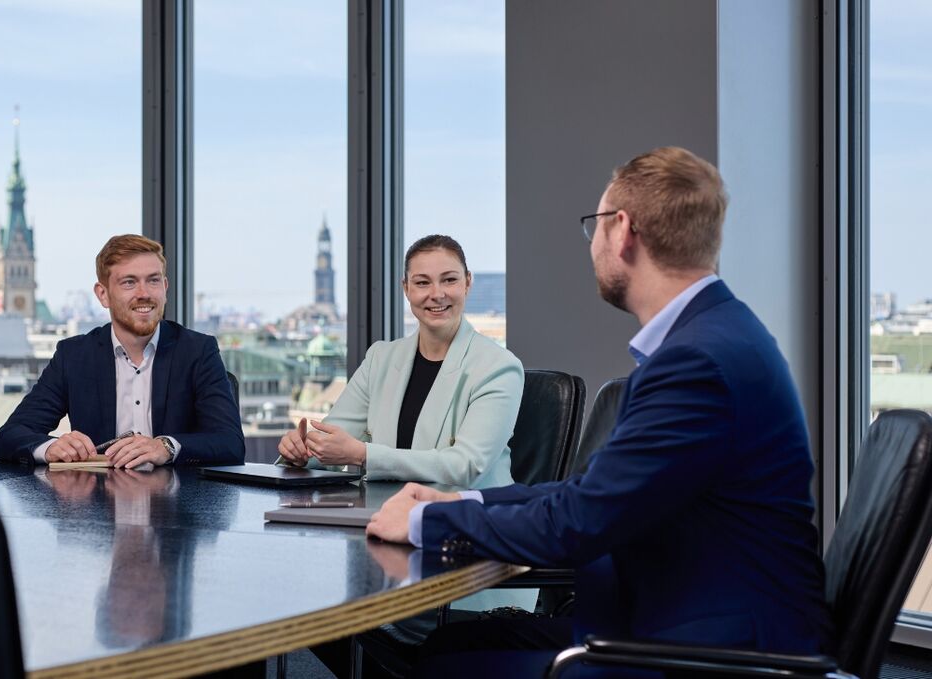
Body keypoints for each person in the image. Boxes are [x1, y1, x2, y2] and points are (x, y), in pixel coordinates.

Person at [366, 147, 833, 677]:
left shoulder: (697, 362)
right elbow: (586, 493)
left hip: (710, 651)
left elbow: (579, 522)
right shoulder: (713, 336)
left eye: (596, 227)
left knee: (448, 667)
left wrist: (429, 519)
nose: (593, 247)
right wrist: (461, 497)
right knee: (449, 648)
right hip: (672, 618)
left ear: (624, 231)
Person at [276, 234, 523, 489]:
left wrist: (364, 454)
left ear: (467, 283)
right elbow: (331, 441)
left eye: (449, 280)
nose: (437, 294)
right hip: (385, 515)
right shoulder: (380, 359)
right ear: (406, 288)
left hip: (467, 519)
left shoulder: (498, 367)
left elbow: (468, 466)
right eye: (422, 283)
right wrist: (300, 453)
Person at [0, 234, 244, 468]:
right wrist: (51, 448)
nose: (144, 293)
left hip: (180, 507)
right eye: (129, 282)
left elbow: (230, 443)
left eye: (153, 280)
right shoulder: (74, 356)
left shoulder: (198, 351)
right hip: (97, 507)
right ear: (103, 294)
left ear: (165, 288)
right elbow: (9, 436)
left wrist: (166, 446)